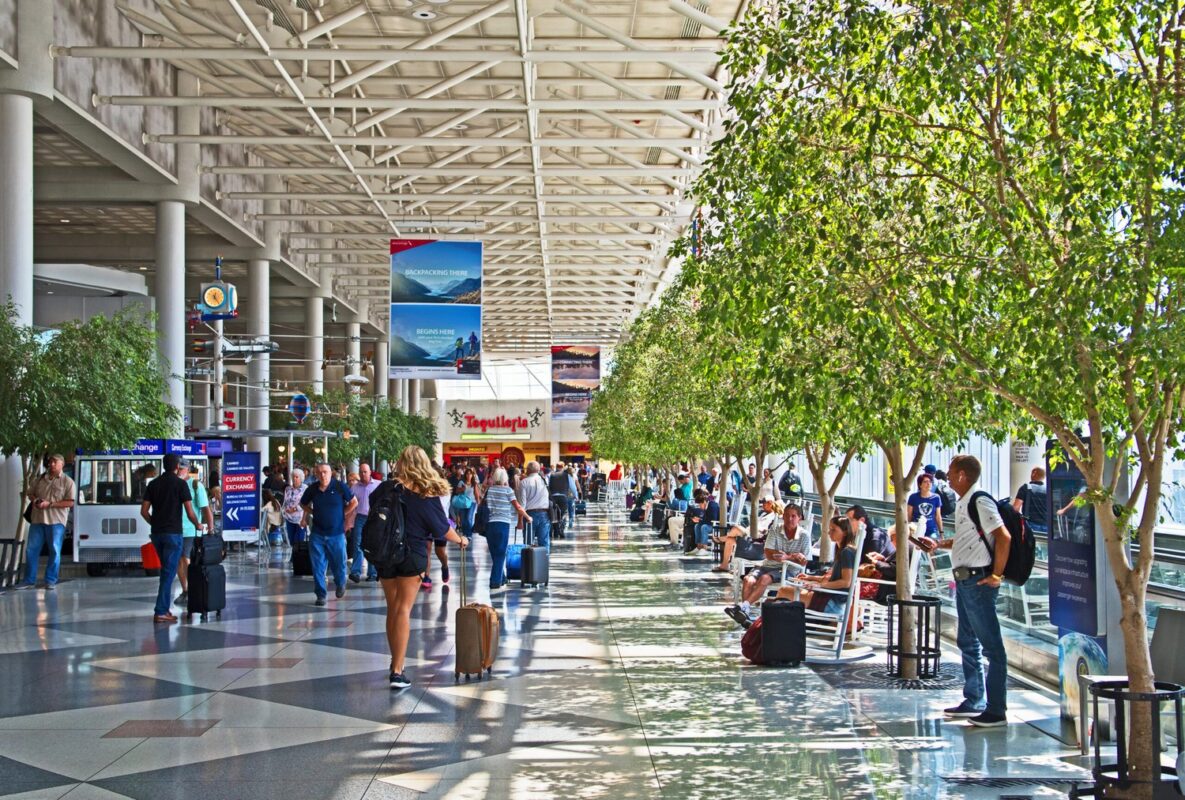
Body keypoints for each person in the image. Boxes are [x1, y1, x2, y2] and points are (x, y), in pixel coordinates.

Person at [921, 455, 1011, 727]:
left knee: (992, 647)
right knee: (968, 642)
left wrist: (996, 575)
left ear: (962, 475)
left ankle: (996, 710)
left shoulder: (979, 501)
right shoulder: (964, 502)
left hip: (978, 581)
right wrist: (938, 544)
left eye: (949, 473)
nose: (946, 478)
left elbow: (1003, 537)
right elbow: (966, 540)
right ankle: (974, 699)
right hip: (965, 581)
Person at [380, 445, 468, 690]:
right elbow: (442, 528)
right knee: (403, 609)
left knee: (393, 608)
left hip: (385, 554)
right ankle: (397, 670)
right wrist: (461, 539)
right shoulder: (425, 494)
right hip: (411, 554)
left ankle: (394, 661)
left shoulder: (387, 488)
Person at [726, 503, 812, 626]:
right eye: (787, 515)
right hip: (767, 565)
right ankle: (745, 610)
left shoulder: (804, 535)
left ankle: (743, 608)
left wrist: (787, 557)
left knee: (765, 578)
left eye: (793, 516)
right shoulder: (776, 529)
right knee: (747, 579)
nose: (789, 519)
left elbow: (804, 561)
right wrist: (793, 555)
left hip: (789, 570)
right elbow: (768, 552)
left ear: (800, 518)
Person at [140, 453, 201, 623]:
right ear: (177, 467)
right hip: (173, 534)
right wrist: (198, 524)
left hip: (157, 534)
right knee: (168, 572)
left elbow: (144, 511)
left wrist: (154, 523)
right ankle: (160, 611)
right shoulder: (181, 485)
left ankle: (164, 609)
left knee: (167, 569)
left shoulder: (153, 484)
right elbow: (190, 512)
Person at [300, 462, 357, 606]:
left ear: (331, 473)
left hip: (336, 534)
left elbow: (354, 502)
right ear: (316, 475)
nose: (322, 475)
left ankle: (340, 583)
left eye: (325, 472)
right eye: (319, 473)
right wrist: (312, 513)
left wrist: (342, 514)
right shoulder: (312, 489)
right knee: (318, 566)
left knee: (339, 563)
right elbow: (302, 504)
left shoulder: (339, 486)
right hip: (317, 534)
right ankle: (320, 594)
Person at [782, 516, 858, 614]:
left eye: (833, 529)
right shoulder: (843, 550)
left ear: (845, 532)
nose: (829, 532)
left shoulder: (846, 552)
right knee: (784, 596)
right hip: (830, 598)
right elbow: (831, 577)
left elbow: (846, 582)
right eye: (829, 529)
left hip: (833, 603)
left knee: (783, 591)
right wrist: (810, 578)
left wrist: (819, 585)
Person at [22, 454, 76, 591]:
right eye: (50, 461)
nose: (51, 464)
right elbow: (30, 493)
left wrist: (50, 504)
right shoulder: (40, 478)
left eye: (54, 462)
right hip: (37, 520)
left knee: (55, 551)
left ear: (61, 464)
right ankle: (29, 580)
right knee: (31, 550)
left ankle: (50, 580)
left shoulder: (67, 482)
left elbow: (70, 502)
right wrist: (35, 500)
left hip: (56, 521)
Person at [484, 467, 530, 591]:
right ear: (505, 478)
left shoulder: (489, 490)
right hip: (502, 524)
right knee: (500, 553)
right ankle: (494, 581)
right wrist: (527, 517)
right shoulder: (508, 491)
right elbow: (518, 507)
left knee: (495, 553)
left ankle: (502, 577)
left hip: (490, 524)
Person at [177, 462, 215, 607]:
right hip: (175, 528)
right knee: (179, 561)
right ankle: (185, 589)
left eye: (182, 468)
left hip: (189, 529)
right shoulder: (175, 484)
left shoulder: (195, 485)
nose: (179, 471)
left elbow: (205, 509)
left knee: (184, 558)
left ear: (187, 469)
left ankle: (190, 590)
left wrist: (210, 529)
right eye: (178, 468)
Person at [713, 496, 782, 573]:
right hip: (750, 533)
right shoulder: (763, 514)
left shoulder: (774, 517)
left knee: (736, 528)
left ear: (770, 504)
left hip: (757, 537)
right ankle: (725, 565)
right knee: (730, 540)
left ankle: (722, 539)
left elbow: (767, 530)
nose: (762, 505)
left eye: (764, 503)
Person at [348, 462, 381, 583]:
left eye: (365, 472)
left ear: (370, 472)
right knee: (357, 544)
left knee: (372, 545)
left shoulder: (378, 485)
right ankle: (355, 572)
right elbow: (350, 505)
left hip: (374, 518)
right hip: (360, 518)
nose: (363, 474)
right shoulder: (355, 487)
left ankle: (372, 573)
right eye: (361, 472)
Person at [519, 461, 552, 552]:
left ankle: (530, 563)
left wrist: (520, 521)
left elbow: (522, 505)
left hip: (529, 515)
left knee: (528, 543)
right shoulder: (545, 480)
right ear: (538, 470)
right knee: (544, 542)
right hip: (544, 514)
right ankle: (544, 563)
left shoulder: (524, 482)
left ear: (528, 470)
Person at [908, 473, 944, 540]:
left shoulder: (936, 497)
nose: (928, 484)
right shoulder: (913, 497)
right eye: (925, 482)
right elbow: (909, 515)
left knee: (930, 548)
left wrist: (941, 532)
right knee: (916, 549)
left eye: (930, 481)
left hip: (931, 531)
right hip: (916, 529)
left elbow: (938, 516)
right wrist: (908, 530)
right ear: (920, 485)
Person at [1013, 467, 1048, 534]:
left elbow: (1015, 508)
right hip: (1046, 525)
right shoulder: (1047, 489)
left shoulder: (1026, 487)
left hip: (1030, 524)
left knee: (1031, 543)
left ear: (1034, 473)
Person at [684, 488, 720, 555]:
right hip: (710, 524)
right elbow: (706, 519)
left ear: (704, 502)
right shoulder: (706, 506)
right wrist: (699, 520)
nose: (699, 507)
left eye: (700, 505)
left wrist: (701, 521)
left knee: (704, 527)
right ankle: (699, 546)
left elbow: (713, 520)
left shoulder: (712, 506)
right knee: (697, 526)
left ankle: (704, 547)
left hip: (717, 525)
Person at [282, 468, 307, 550]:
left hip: (300, 518)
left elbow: (307, 503)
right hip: (289, 518)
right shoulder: (288, 489)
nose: (294, 479)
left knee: (299, 540)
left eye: (297, 477)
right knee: (291, 540)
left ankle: (298, 558)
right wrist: (285, 510)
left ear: (301, 478)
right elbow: (285, 501)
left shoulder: (305, 488)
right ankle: (294, 557)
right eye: (293, 477)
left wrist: (295, 509)